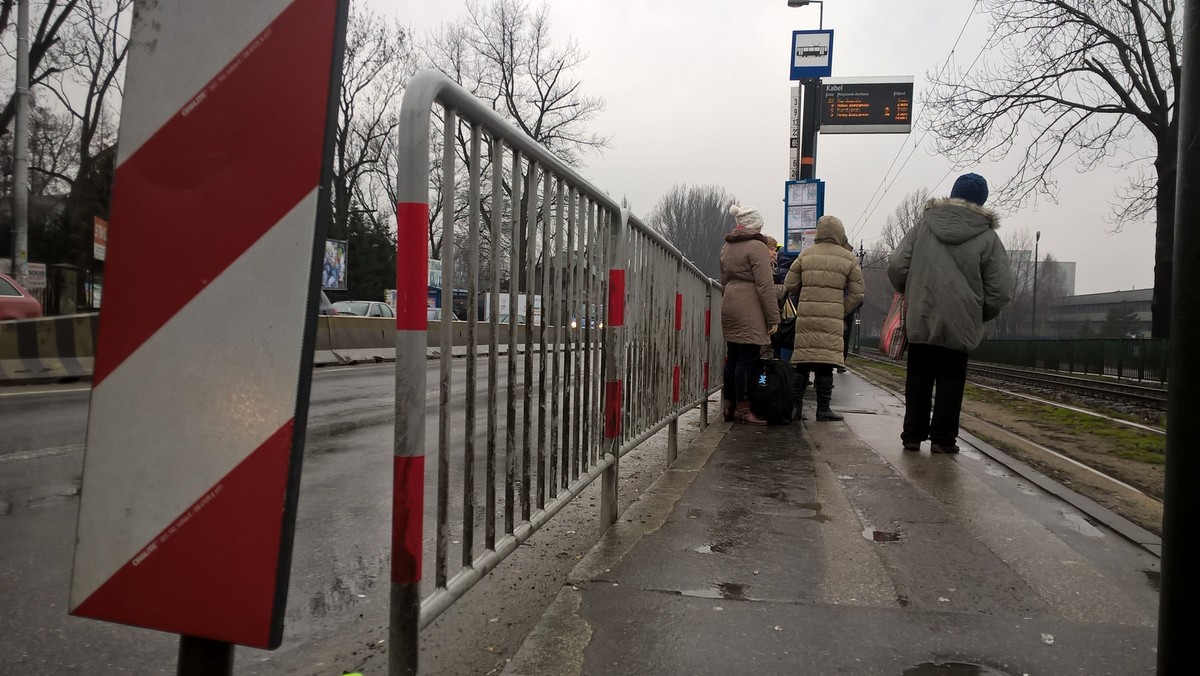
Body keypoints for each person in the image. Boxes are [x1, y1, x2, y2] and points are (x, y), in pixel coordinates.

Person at [887, 172, 1013, 453]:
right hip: (961, 322)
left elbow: (896, 265)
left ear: (953, 195)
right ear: (981, 202)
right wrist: (978, 313)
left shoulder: (924, 227)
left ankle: (912, 435)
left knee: (918, 376)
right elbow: (1001, 290)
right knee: (952, 380)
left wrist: (912, 292)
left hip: (922, 315)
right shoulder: (989, 238)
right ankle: (943, 440)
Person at [784, 214, 864, 422]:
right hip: (831, 320)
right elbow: (857, 294)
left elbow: (790, 284)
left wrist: (804, 297)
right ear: (839, 233)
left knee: (802, 363)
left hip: (807, 317)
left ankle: (794, 408)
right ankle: (823, 409)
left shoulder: (806, 254)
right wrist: (840, 310)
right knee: (825, 364)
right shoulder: (848, 258)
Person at [720, 205, 780, 426]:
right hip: (750, 305)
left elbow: (723, 279)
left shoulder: (727, 246)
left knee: (733, 357)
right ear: (756, 225)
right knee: (747, 358)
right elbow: (765, 285)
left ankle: (729, 406)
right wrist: (773, 319)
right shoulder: (757, 246)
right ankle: (745, 410)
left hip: (730, 301)